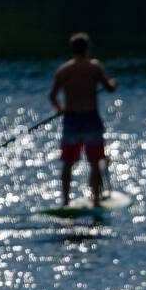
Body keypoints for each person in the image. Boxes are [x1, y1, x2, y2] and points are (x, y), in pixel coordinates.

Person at [49, 32, 117, 206]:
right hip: (90, 119)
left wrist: (59, 109)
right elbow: (109, 88)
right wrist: (113, 83)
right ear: (87, 49)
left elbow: (53, 96)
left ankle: (65, 201)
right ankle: (95, 201)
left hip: (71, 119)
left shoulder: (63, 70)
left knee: (68, 163)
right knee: (94, 162)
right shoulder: (94, 67)